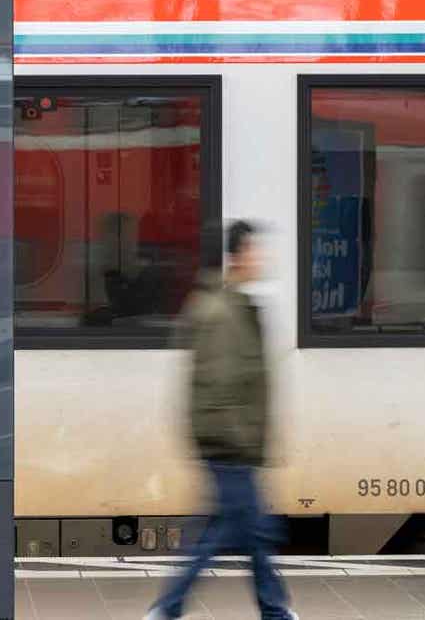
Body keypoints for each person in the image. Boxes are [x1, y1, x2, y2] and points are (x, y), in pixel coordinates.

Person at [146, 220, 296, 620]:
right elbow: (218, 387)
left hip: (233, 445)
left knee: (242, 533)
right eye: (254, 250)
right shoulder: (223, 314)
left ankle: (173, 608)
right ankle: (171, 608)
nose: (261, 258)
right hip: (230, 446)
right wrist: (239, 444)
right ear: (237, 257)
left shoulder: (235, 308)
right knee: (245, 533)